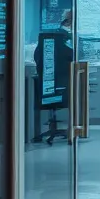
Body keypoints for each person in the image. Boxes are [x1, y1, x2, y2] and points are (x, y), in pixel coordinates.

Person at [34, 9, 74, 144]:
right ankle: (71, 130)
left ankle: (55, 128)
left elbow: (37, 57)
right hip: (62, 83)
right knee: (67, 99)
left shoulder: (49, 37)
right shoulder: (65, 38)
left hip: (49, 83)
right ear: (69, 21)